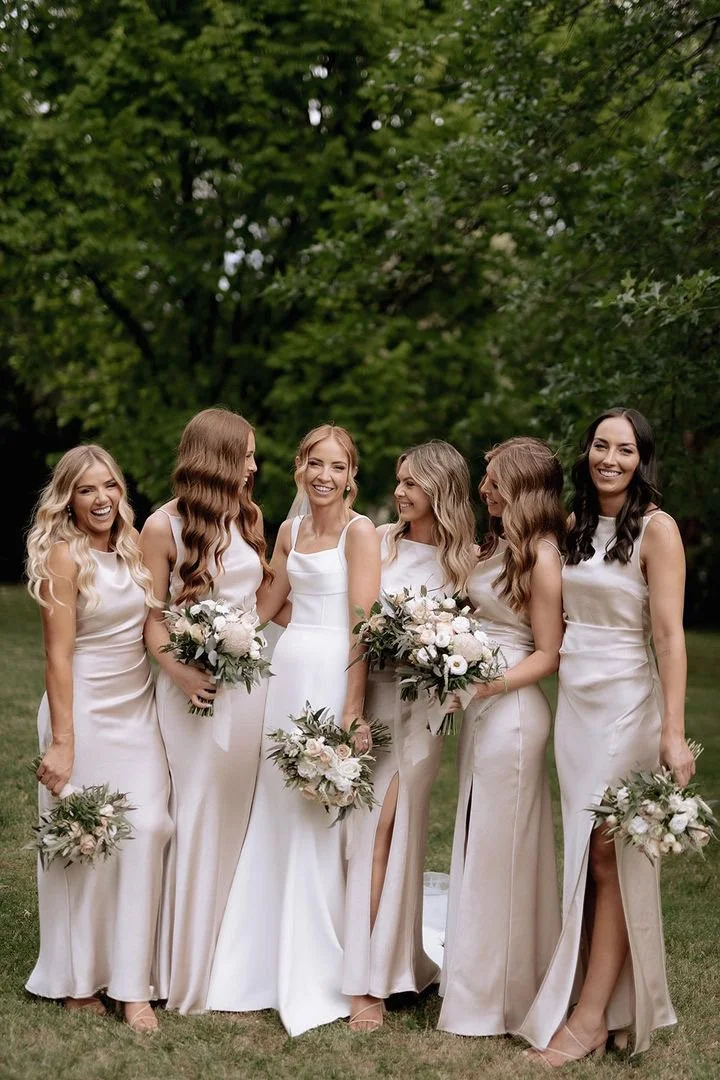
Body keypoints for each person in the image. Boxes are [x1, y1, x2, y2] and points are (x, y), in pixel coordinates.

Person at [519, 407, 695, 1066]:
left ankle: (591, 1019)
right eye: (600, 446)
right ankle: (605, 1004)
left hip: (628, 704)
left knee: (609, 856)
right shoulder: (570, 527)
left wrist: (673, 733)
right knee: (586, 863)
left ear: (641, 458)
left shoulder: (659, 530)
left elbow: (671, 636)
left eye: (624, 449)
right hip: (577, 708)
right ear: (586, 452)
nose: (609, 459)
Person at [206, 424, 381, 1036]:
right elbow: (272, 599)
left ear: (350, 474)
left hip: (334, 676)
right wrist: (219, 638)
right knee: (279, 805)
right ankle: (257, 957)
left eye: (336, 466)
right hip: (288, 672)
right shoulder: (289, 530)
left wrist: (354, 708)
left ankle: (328, 963)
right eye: (314, 464)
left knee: (322, 811)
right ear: (300, 468)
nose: (324, 476)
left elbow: (363, 625)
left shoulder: (360, 535)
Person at [25, 445, 172, 1032]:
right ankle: (79, 978)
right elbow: (56, 655)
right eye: (86, 489)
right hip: (81, 712)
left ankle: (134, 986)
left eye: (109, 485)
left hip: (137, 711)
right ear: (69, 498)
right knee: (86, 844)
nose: (102, 498)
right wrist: (63, 742)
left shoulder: (134, 548)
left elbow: (150, 629)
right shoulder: (64, 556)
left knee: (148, 829)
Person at [140, 407, 271, 1015]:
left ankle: (227, 960)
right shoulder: (162, 527)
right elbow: (152, 620)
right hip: (190, 689)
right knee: (193, 813)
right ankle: (177, 971)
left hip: (249, 691)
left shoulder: (250, 516)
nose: (253, 464)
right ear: (217, 457)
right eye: (245, 454)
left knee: (236, 819)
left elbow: (261, 595)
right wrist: (183, 671)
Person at [342, 441, 477, 1031]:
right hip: (371, 698)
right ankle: (360, 961)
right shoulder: (380, 540)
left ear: (440, 491)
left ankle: (373, 979)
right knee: (361, 829)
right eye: (398, 481)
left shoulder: (465, 561)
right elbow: (356, 618)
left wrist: (443, 659)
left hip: (422, 712)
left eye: (413, 485)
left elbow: (473, 641)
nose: (400, 493)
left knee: (393, 828)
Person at [438, 437, 564, 1037]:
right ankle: (475, 985)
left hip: (513, 715)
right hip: (483, 709)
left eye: (493, 481)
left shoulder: (542, 555)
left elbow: (549, 653)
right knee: (480, 844)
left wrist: (486, 685)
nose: (483, 490)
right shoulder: (501, 548)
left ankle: (497, 1000)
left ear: (520, 489)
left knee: (499, 856)